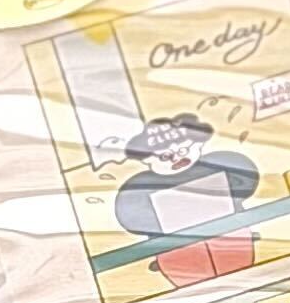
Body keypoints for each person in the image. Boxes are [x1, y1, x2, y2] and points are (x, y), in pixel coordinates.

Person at [110, 113, 264, 283]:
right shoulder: (140, 187)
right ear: (149, 161)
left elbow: (244, 185)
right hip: (177, 251)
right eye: (165, 157)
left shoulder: (220, 164)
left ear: (198, 145)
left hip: (230, 238)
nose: (177, 158)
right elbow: (134, 219)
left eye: (183, 150)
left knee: (235, 267)